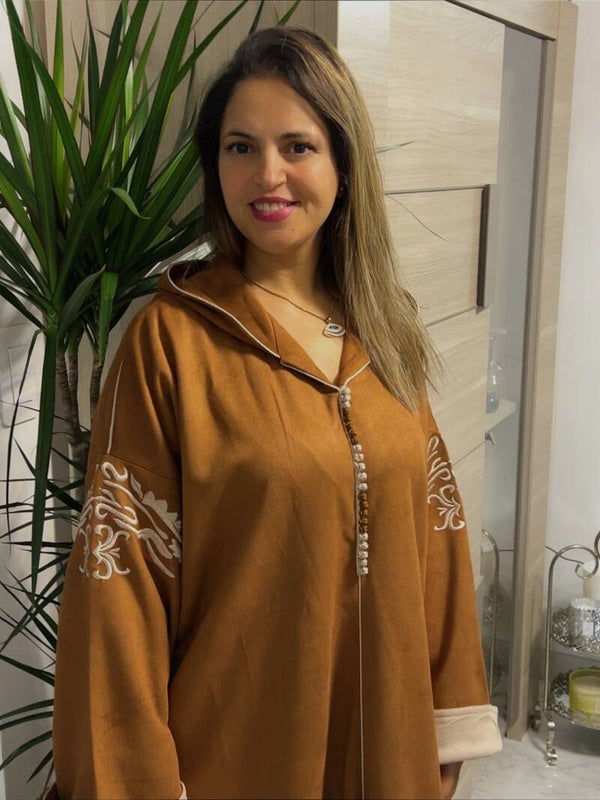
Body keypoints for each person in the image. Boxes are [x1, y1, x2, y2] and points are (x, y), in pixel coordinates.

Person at [52, 26, 502, 800]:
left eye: (298, 146)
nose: (268, 174)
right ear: (215, 164)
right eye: (241, 147)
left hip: (387, 747)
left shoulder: (383, 327)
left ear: (342, 164)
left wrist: (444, 725)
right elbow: (117, 596)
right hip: (235, 758)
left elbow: (438, 536)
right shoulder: (171, 343)